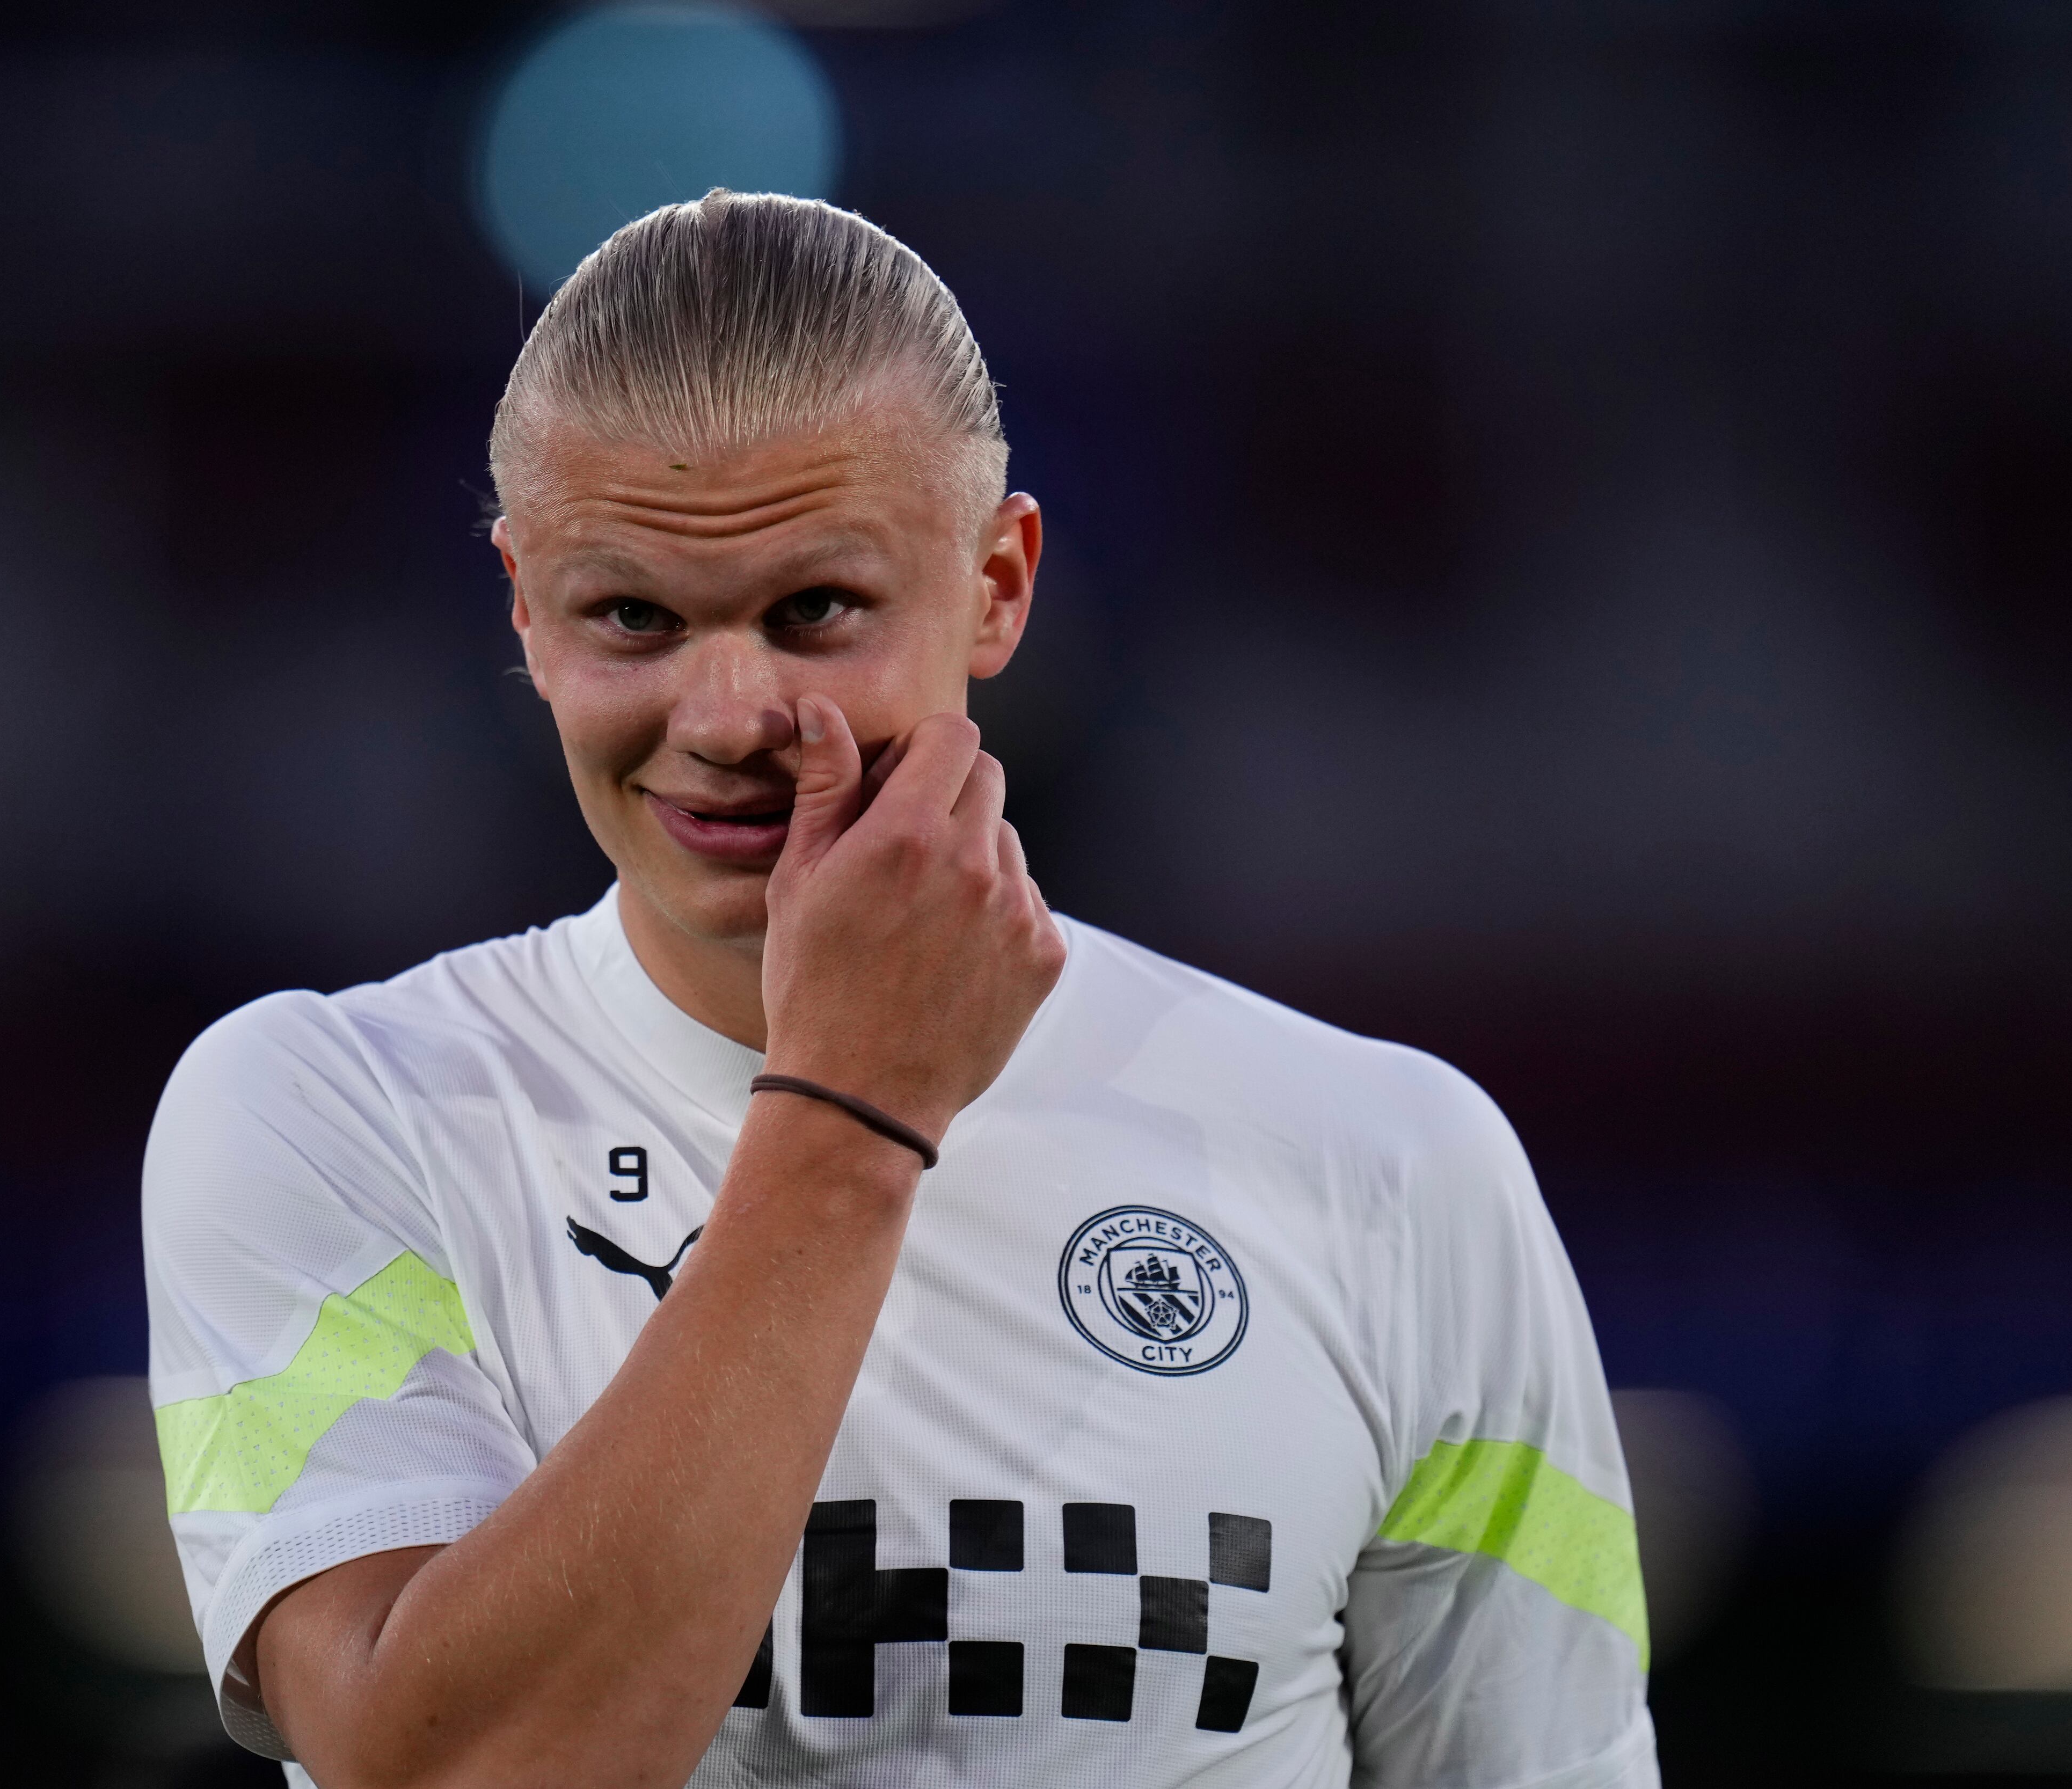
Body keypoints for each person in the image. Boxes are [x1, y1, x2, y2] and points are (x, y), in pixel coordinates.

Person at [143, 190, 1657, 1789]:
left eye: (817, 612)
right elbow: (451, 1773)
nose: (729, 713)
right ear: (525, 608)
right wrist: (851, 1112)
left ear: (999, 585)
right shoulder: (329, 1116)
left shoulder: (1396, 1165)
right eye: (631, 619)